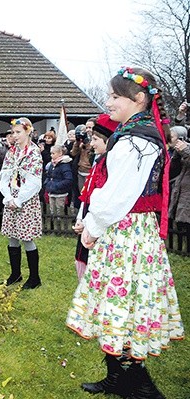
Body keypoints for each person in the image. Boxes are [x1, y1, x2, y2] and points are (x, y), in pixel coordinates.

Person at [66, 67, 184, 398]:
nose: (109, 102)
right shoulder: (134, 132)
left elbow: (118, 195)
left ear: (139, 99)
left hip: (127, 232)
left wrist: (91, 226)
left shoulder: (137, 140)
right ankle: (118, 377)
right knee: (117, 304)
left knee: (125, 304)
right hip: (125, 230)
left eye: (116, 96)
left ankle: (141, 386)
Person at [72, 114, 118, 281]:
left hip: (98, 223)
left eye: (96, 139)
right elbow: (87, 194)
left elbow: (104, 199)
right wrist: (80, 218)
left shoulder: (109, 166)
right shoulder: (98, 161)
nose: (91, 143)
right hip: (87, 219)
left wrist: (88, 223)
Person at [0, 118, 43, 289]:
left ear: (28, 132)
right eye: (13, 132)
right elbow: (5, 175)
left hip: (26, 199)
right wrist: (8, 197)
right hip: (12, 196)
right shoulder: (12, 152)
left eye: (18, 132)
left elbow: (34, 181)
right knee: (12, 236)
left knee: (27, 237)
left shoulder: (33, 153)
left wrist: (18, 200)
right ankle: (15, 274)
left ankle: (34, 277)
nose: (14, 135)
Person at [43, 144, 73, 228]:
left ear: (60, 153)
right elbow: (48, 176)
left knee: (60, 210)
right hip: (51, 191)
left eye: (53, 153)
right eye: (51, 153)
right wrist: (47, 184)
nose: (51, 155)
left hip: (60, 193)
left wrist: (56, 186)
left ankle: (60, 228)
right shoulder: (52, 164)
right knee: (52, 210)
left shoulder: (64, 165)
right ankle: (54, 227)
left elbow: (68, 179)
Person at [168, 125, 190, 231]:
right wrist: (177, 154)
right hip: (180, 197)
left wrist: (185, 151)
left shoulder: (187, 149)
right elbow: (172, 171)